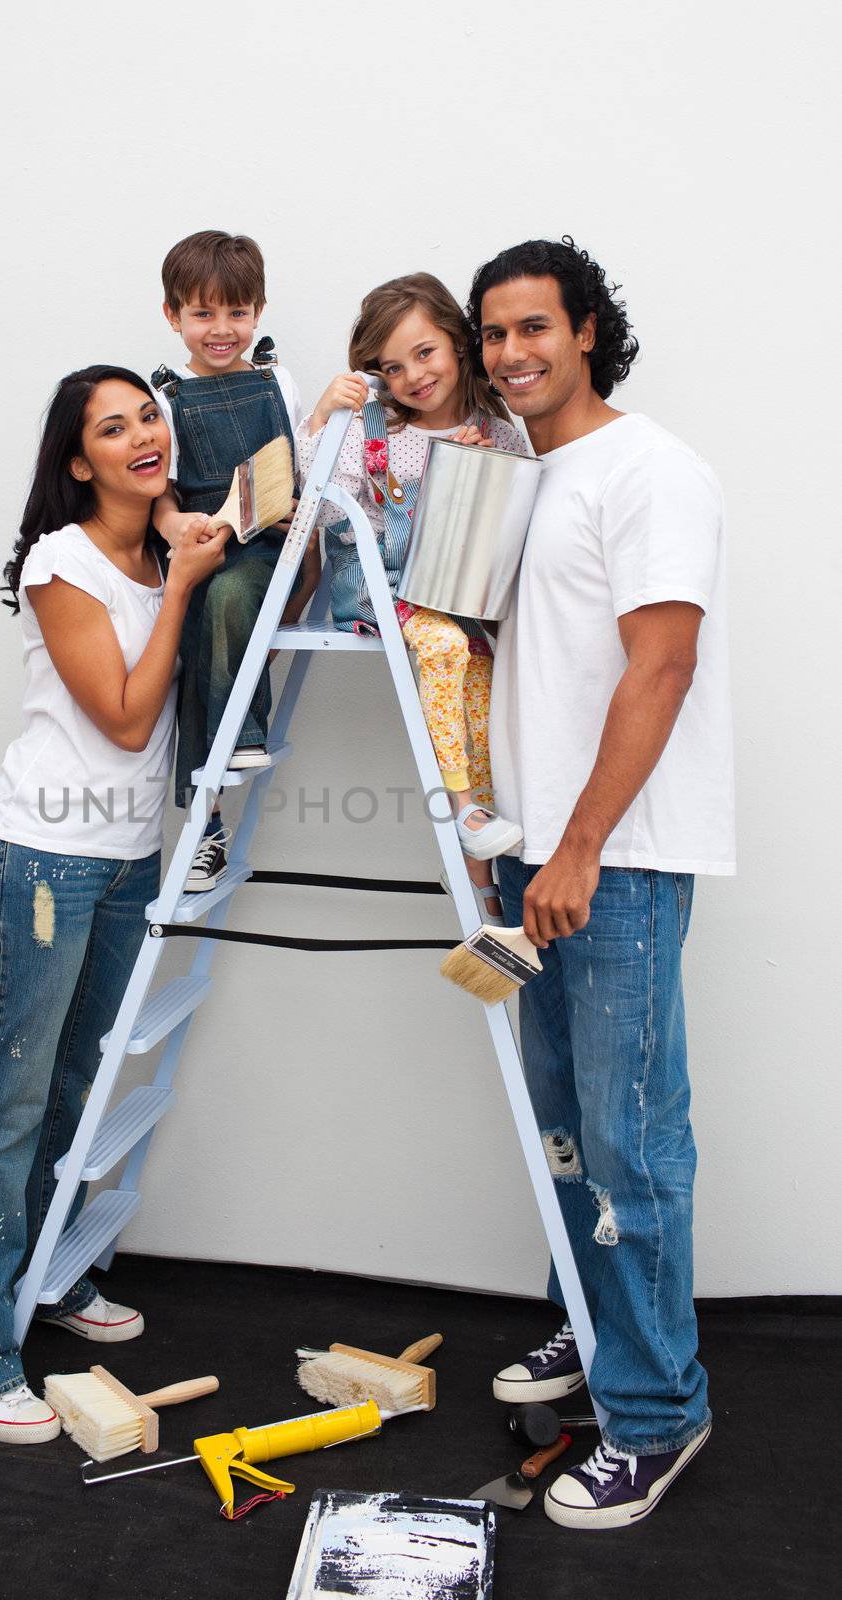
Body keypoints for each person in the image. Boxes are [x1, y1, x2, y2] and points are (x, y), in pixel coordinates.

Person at [470, 238, 734, 1527]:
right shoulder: (524, 477)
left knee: (633, 1147)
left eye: (534, 327)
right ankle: (598, 1329)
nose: (512, 353)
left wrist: (575, 847)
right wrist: (512, 839)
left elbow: (661, 667)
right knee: (565, 1134)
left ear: (586, 329)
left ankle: (657, 1413)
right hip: (541, 855)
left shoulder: (651, 469)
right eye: (493, 334)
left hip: (614, 862)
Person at [0, 367, 227, 1443]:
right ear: (78, 460)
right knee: (9, 1099)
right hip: (43, 866)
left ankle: (51, 1274)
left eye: (148, 415)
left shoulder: (167, 544)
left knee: (80, 1086)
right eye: (113, 428)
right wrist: (186, 587)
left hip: (125, 862)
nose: (143, 434)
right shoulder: (65, 563)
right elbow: (126, 720)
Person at [295, 272, 528, 921]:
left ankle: (481, 882)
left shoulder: (497, 434)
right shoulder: (375, 430)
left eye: (423, 353)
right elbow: (320, 502)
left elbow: (503, 540)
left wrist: (479, 475)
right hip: (377, 589)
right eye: (392, 367)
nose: (412, 377)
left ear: (456, 343)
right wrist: (319, 417)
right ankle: (463, 808)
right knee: (445, 645)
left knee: (481, 684)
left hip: (451, 595)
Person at [151, 230, 319, 892]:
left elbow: (305, 467)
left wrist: (296, 514)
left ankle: (242, 729)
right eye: (203, 314)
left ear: (259, 310)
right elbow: (159, 488)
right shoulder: (164, 396)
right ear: (173, 316)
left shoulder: (277, 381)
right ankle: (207, 826)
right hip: (207, 543)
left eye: (237, 313)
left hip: (273, 541)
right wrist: (172, 522)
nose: (222, 330)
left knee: (223, 603)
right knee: (198, 638)